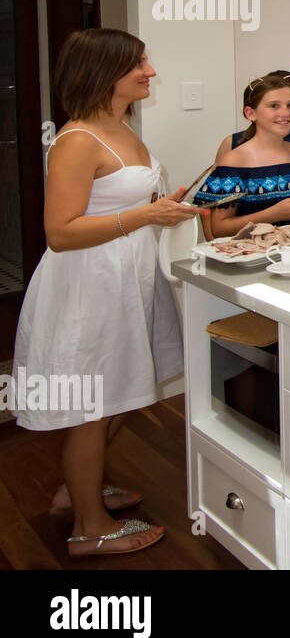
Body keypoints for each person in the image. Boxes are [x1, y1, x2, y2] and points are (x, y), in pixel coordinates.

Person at [15, 29, 201, 556]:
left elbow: (120, 202)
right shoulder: (77, 141)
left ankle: (77, 488)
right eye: (139, 64)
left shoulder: (120, 127)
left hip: (128, 277)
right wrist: (147, 213)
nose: (151, 72)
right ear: (105, 73)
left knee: (119, 391)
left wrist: (167, 203)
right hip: (89, 286)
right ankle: (88, 529)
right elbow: (60, 232)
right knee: (94, 405)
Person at [195, 72, 290, 237]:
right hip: (257, 255)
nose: (285, 113)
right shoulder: (235, 162)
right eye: (274, 106)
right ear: (250, 113)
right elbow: (219, 229)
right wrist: (272, 215)